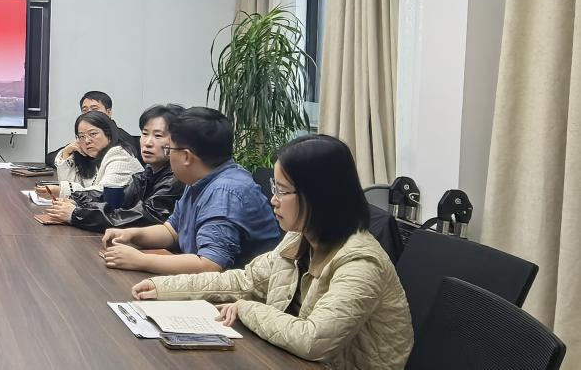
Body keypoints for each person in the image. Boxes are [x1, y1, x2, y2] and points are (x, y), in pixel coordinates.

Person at [131, 135, 413, 369]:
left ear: (319, 195)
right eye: (274, 187)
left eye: (282, 190)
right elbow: (244, 281)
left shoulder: (361, 263)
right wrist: (163, 287)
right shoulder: (299, 238)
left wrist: (247, 308)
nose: (273, 200)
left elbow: (312, 340)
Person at [101, 107, 280, 274]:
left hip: (238, 292)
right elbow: (172, 231)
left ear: (186, 156)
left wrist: (141, 260)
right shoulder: (198, 179)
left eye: (170, 149)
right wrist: (131, 234)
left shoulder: (225, 192)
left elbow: (210, 265)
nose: (169, 155)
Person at [41, 104, 184, 232]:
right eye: (145, 134)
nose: (147, 142)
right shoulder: (149, 172)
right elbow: (115, 197)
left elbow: (142, 217)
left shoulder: (176, 178)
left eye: (158, 135)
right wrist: (75, 200)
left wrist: (76, 213)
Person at [51, 110, 143, 193]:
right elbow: (70, 187)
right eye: (82, 136)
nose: (87, 140)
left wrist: (63, 191)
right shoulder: (89, 159)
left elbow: (102, 194)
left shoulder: (120, 155)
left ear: (108, 135)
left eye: (93, 134)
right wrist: (66, 155)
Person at [44, 91, 140, 167]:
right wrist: (66, 153)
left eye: (94, 109)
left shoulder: (121, 139)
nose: (89, 113)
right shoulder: (85, 137)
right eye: (84, 110)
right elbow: (50, 157)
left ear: (109, 112)